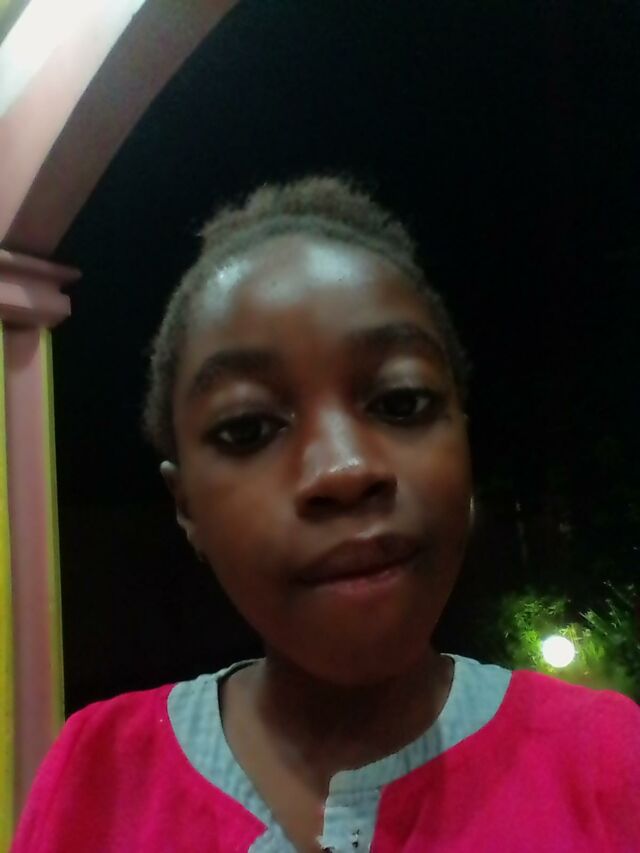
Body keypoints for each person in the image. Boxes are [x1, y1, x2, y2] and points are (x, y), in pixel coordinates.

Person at [11, 176, 640, 852]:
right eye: (248, 428)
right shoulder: (97, 771)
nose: (344, 470)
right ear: (186, 507)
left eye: (401, 402)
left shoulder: (609, 762)